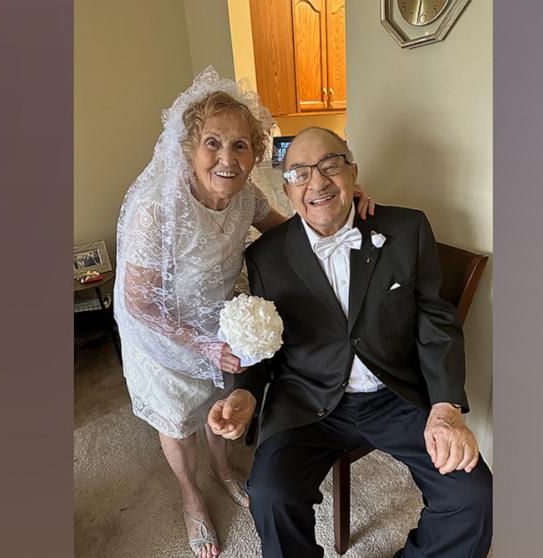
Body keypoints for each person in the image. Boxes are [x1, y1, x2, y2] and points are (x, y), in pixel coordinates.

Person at [112, 69, 374, 558]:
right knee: (176, 419)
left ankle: (224, 467)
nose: (227, 159)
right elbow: (140, 301)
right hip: (161, 329)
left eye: (241, 146)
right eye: (213, 143)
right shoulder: (157, 207)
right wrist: (204, 344)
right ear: (190, 147)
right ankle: (191, 497)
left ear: (256, 154)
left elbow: (289, 233)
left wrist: (340, 206)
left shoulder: (247, 196)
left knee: (220, 402)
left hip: (217, 319)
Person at [208, 127, 493, 558]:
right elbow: (261, 342)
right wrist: (246, 391)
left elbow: (436, 323)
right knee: (270, 493)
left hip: (394, 394)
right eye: (300, 173)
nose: (317, 182)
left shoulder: (406, 228)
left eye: (330, 165)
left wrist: (446, 406)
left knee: (473, 496)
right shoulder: (265, 256)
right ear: (287, 191)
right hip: (307, 400)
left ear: (352, 170)